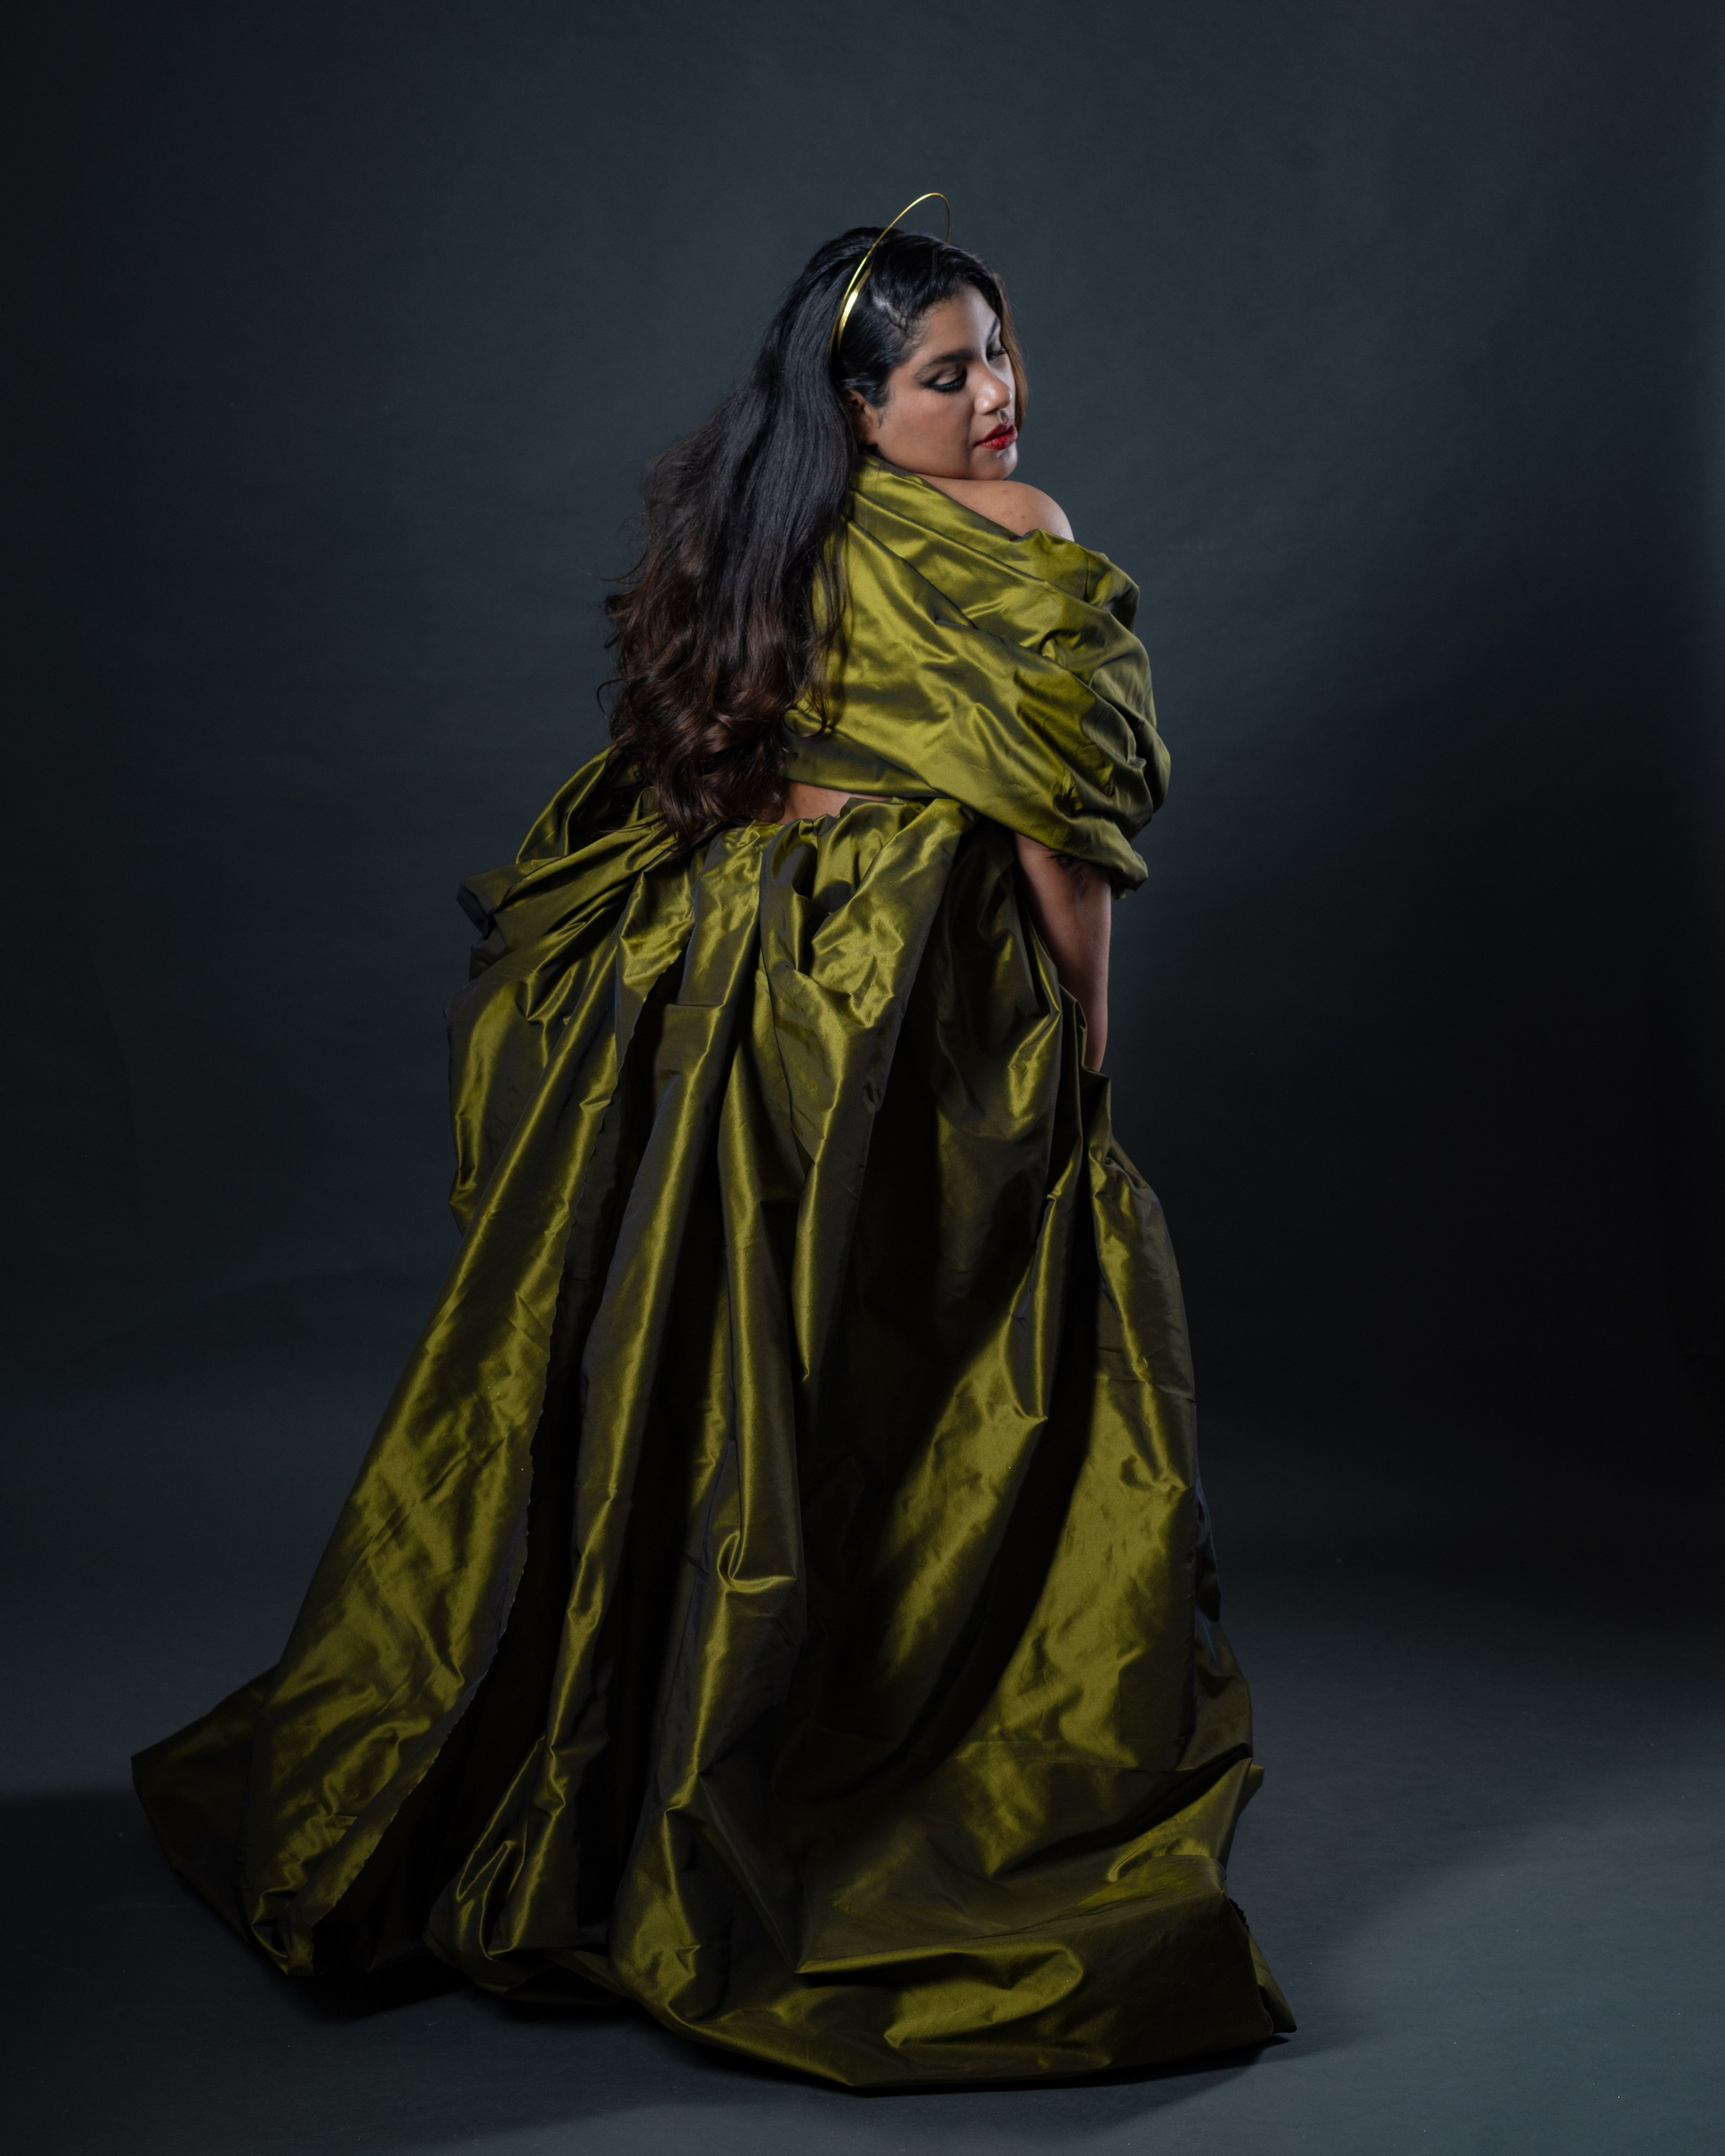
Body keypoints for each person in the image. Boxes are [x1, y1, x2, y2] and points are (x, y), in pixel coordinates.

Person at [135, 199, 1293, 2089]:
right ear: (862, 406)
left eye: (998, 355)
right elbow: (1061, 841)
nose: (996, 396)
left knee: (727, 1365)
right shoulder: (1020, 533)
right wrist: (1085, 1037)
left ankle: (659, 1758)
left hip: (742, 991)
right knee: (913, 1369)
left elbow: (732, 771)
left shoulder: (767, 531)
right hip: (912, 1003)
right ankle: (851, 1763)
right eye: (948, 374)